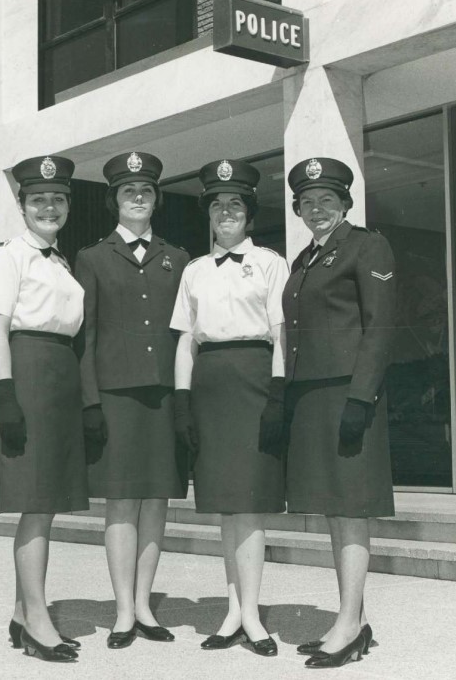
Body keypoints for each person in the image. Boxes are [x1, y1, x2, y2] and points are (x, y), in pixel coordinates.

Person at [170, 159, 289, 657]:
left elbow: (282, 333)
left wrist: (279, 392)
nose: (225, 212)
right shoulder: (194, 270)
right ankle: (232, 610)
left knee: (252, 504)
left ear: (249, 213)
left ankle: (254, 616)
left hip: (256, 381)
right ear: (208, 214)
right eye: (216, 205)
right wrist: (182, 402)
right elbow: (184, 343)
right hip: (211, 387)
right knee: (225, 505)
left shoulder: (270, 263)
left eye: (234, 204)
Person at [283, 157, 396, 668]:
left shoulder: (366, 246)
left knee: (350, 508)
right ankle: (352, 618)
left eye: (327, 199)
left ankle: (349, 626)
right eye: (308, 202)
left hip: (349, 395)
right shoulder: (304, 259)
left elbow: (380, 327)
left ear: (345, 202)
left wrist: (361, 397)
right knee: (335, 507)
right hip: (313, 399)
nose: (317, 209)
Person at [75, 151, 189, 649]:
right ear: (114, 201)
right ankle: (123, 610)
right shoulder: (92, 257)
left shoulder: (178, 258)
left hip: (162, 395)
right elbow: (87, 336)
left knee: (156, 501)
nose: (138, 198)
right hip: (117, 396)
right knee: (122, 503)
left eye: (145, 191)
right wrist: (91, 402)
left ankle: (145, 605)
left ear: (156, 199)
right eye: (128, 191)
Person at [0, 155, 88, 663]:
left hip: (61, 378)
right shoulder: (10, 255)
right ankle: (38, 620)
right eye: (38, 199)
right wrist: (6, 394)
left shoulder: (60, 262)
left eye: (58, 198)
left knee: (45, 501)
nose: (49, 206)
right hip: (28, 375)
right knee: (36, 501)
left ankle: (23, 613)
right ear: (22, 206)